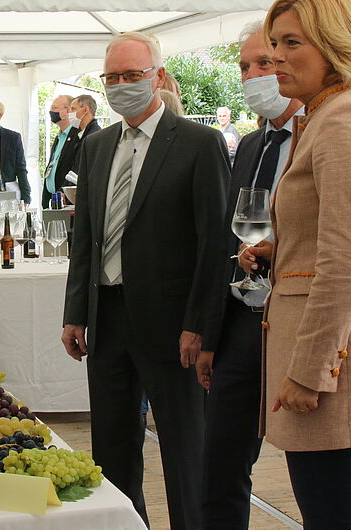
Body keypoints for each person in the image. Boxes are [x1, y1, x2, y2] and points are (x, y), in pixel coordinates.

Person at [237, 0, 351, 530]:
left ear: (333, 44)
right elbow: (331, 232)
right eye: (274, 42)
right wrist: (281, 248)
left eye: (290, 43)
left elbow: (350, 259)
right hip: (325, 359)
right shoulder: (320, 114)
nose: (275, 56)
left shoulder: (345, 118)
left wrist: (309, 372)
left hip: (336, 369)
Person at [62, 32, 229, 529]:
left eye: (131, 76)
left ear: (156, 77)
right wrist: (75, 312)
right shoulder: (95, 147)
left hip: (173, 326)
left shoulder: (199, 143)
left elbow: (214, 244)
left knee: (184, 452)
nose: (120, 86)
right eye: (111, 78)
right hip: (107, 318)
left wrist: (200, 324)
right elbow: (86, 237)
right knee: (111, 452)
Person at [196, 21, 303, 530]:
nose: (254, 75)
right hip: (243, 322)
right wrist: (211, 336)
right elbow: (225, 243)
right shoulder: (253, 145)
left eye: (264, 62)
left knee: (317, 475)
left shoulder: (324, 133)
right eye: (244, 67)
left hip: (300, 324)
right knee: (219, 465)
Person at [42, 94, 76, 207]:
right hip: (52, 198)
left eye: (55, 108)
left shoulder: (76, 136)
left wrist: (64, 192)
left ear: (68, 111)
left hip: (65, 200)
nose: (51, 111)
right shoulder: (59, 136)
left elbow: (75, 168)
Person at [66, 94, 102, 178]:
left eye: (73, 109)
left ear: (85, 110)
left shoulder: (94, 136)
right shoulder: (79, 134)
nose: (69, 112)